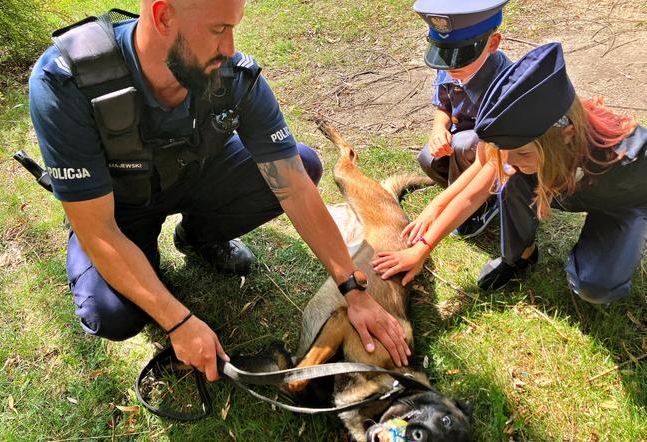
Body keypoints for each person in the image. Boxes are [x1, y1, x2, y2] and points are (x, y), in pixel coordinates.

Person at [28, 0, 410, 382]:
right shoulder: (68, 82)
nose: (230, 47)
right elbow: (97, 230)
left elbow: (293, 187)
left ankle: (197, 237)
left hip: (198, 176)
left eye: (233, 28)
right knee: (110, 313)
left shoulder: (232, 74)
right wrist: (177, 322)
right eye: (217, 30)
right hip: (120, 209)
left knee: (303, 164)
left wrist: (352, 289)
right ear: (163, 16)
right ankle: (144, 265)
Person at [373, 42, 646, 306]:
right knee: (511, 178)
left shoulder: (631, 157)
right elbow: (473, 192)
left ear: (567, 136)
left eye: (523, 154)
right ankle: (520, 256)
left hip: (621, 202)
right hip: (560, 180)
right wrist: (423, 244)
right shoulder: (524, 145)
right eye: (508, 154)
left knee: (594, 286)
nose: (511, 163)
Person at [413, 0, 511, 237]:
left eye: (462, 56)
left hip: (494, 155)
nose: (450, 65)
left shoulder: (505, 82)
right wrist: (438, 129)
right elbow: (443, 104)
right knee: (428, 157)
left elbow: (495, 155)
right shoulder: (449, 65)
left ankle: (481, 203)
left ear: (493, 44)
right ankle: (458, 198)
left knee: (463, 144)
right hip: (463, 144)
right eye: (443, 55)